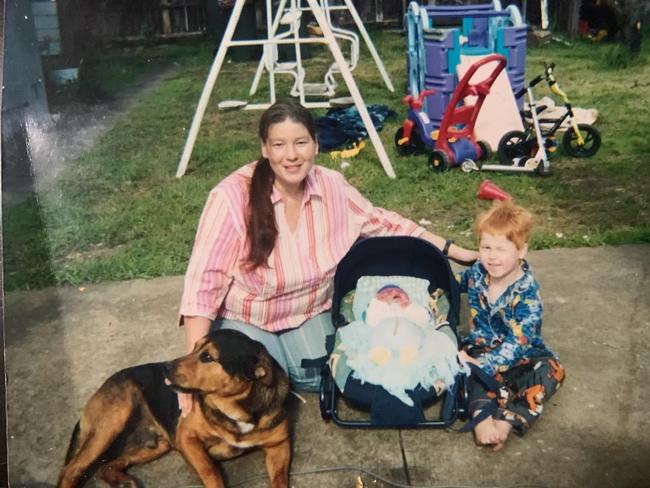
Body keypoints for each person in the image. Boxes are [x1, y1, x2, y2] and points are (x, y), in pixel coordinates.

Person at [177, 98, 476, 415]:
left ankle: (287, 368)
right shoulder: (230, 197)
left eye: (301, 143)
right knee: (254, 394)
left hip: (307, 311)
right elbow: (203, 285)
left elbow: (383, 222)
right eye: (279, 144)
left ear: (316, 145)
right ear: (264, 148)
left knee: (324, 376)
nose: (291, 156)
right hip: (249, 317)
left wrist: (452, 250)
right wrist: (193, 371)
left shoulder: (332, 185)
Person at [457, 201, 565, 451]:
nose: (492, 256)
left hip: (524, 355)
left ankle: (506, 423)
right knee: (468, 371)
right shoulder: (477, 272)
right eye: (486, 247)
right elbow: (455, 283)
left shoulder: (528, 293)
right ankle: (482, 421)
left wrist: (482, 365)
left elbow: (518, 343)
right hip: (483, 348)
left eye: (501, 249)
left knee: (552, 370)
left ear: (520, 251)